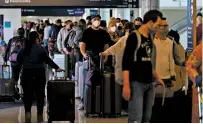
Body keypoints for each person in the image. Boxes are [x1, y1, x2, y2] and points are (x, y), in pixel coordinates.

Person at [122, 10, 165, 123]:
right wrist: (126, 85)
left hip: (149, 84)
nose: (159, 27)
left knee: (146, 118)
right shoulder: (134, 37)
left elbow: (148, 62)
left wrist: (157, 77)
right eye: (158, 24)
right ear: (150, 22)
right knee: (136, 117)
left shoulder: (150, 38)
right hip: (136, 83)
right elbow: (125, 62)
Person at [17, 31, 63, 123]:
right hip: (39, 74)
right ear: (37, 38)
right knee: (40, 94)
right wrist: (57, 68)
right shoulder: (41, 49)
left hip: (27, 74)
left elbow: (18, 61)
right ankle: (39, 114)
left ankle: (27, 113)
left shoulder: (23, 49)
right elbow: (47, 60)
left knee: (27, 95)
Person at [100, 22, 136, 111]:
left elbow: (114, 48)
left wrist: (104, 53)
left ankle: (127, 106)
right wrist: (104, 53)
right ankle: (127, 106)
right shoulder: (126, 39)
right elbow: (114, 48)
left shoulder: (128, 39)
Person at [78, 14, 110, 110]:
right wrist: (85, 55)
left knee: (99, 81)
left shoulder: (104, 33)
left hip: (100, 58)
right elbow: (82, 46)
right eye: (95, 19)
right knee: (87, 81)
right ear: (91, 21)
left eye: (98, 19)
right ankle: (84, 102)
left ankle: (98, 102)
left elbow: (106, 46)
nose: (97, 21)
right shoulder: (87, 32)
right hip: (89, 59)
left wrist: (106, 57)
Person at [154, 17, 185, 87]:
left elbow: (176, 58)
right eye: (164, 26)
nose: (166, 28)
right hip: (153, 79)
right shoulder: (150, 42)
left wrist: (183, 63)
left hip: (168, 79)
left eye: (167, 25)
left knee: (168, 97)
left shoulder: (172, 42)